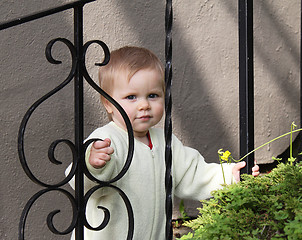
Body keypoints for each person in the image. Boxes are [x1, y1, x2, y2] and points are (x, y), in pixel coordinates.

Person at [67, 46, 259, 240]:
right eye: (131, 97)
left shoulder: (165, 141)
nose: (144, 105)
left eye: (153, 95)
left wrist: (229, 175)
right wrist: (93, 164)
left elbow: (193, 173)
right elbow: (80, 181)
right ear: (108, 103)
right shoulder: (106, 141)